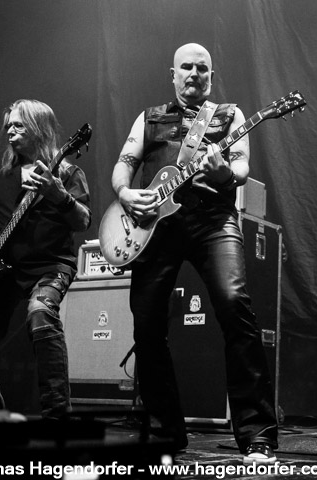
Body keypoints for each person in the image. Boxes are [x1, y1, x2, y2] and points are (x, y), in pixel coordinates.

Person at [109, 43, 278, 463]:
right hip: (156, 226)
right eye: (186, 67)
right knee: (147, 323)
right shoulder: (150, 117)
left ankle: (256, 434)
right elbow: (124, 163)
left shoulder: (229, 116)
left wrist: (226, 173)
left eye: (202, 68)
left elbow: (241, 166)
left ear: (211, 76)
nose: (194, 74)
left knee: (235, 305)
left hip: (213, 222)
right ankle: (165, 432)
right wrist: (125, 193)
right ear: (173, 73)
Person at [0, 99, 91, 418]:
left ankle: (56, 416)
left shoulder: (67, 173)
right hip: (2, 270)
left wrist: (58, 194)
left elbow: (83, 221)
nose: (9, 130)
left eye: (18, 125)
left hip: (50, 266)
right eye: (8, 125)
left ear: (38, 128)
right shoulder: (2, 177)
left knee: (41, 313)